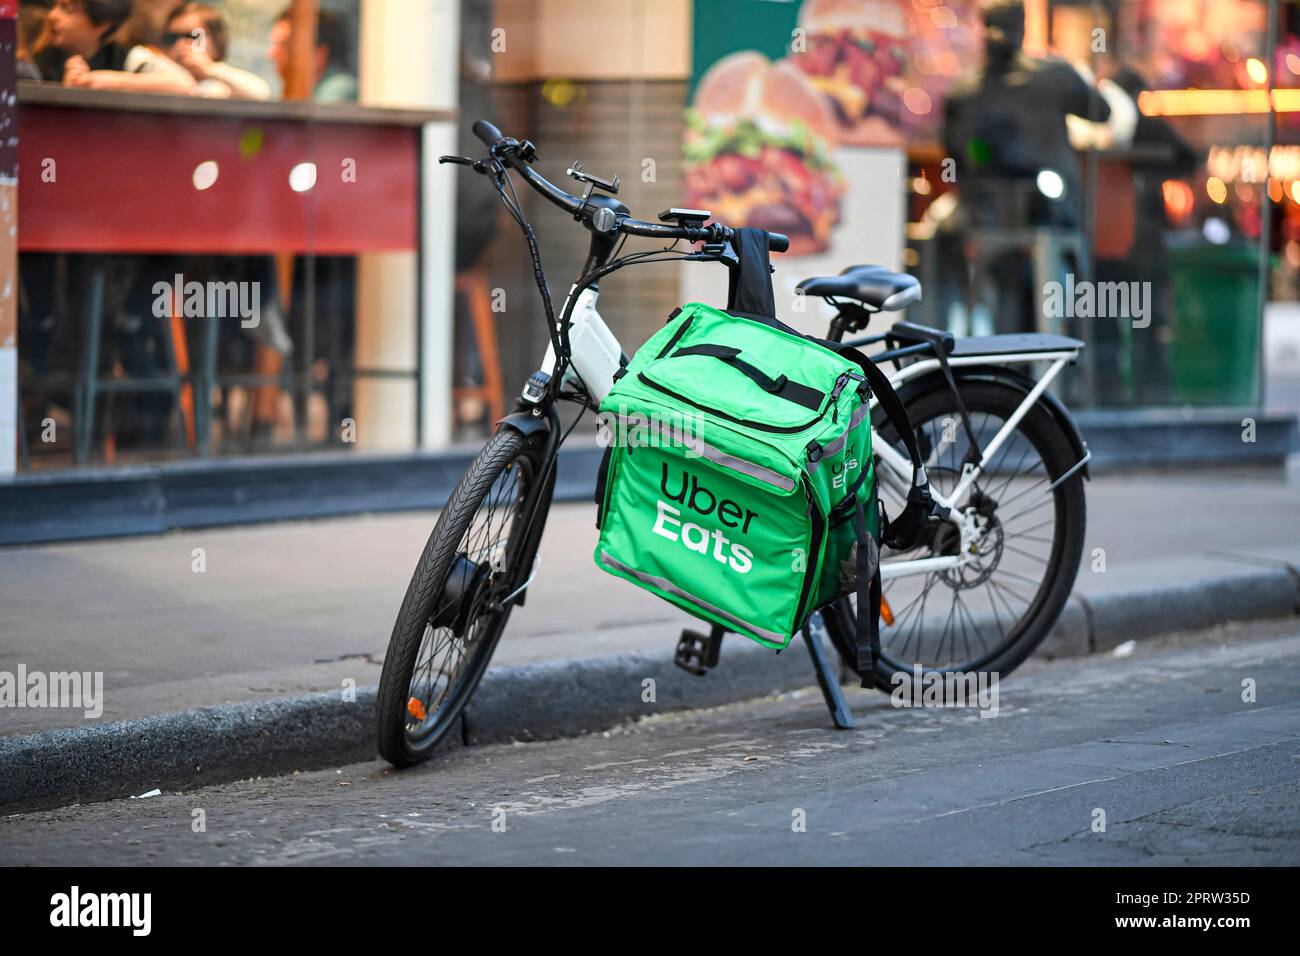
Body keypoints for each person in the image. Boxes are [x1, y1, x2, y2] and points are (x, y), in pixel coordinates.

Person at [32, 0, 195, 93]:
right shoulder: (39, 58)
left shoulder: (126, 56)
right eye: (54, 6)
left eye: (67, 9)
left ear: (102, 24)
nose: (52, 16)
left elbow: (184, 83)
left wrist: (103, 81)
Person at [163, 2, 272, 100]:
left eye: (192, 36)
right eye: (173, 38)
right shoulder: (162, 77)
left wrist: (210, 69)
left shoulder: (224, 85)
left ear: (216, 42)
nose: (180, 44)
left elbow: (261, 93)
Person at [267, 7, 356, 103]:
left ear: (320, 53)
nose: (272, 54)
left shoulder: (339, 89)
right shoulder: (300, 89)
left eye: (285, 46)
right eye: (275, 44)